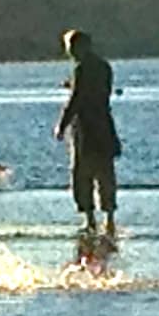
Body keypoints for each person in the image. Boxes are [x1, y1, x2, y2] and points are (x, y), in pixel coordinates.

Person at [54, 29, 121, 239]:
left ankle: (90, 220)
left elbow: (76, 99)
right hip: (105, 125)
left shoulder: (81, 69)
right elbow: (102, 92)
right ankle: (109, 219)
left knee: (82, 175)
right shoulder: (104, 66)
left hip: (85, 129)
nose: (69, 52)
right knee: (105, 174)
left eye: (70, 47)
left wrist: (61, 125)